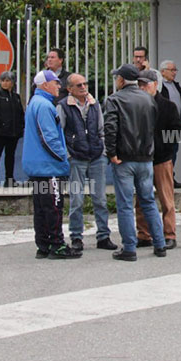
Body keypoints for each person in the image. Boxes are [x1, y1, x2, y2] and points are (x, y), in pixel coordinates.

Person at [103, 64, 167, 261]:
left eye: (117, 77)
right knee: (148, 201)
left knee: (124, 204)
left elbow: (110, 127)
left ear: (122, 80)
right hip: (145, 158)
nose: (116, 80)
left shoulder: (114, 100)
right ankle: (160, 244)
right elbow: (152, 127)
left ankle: (129, 247)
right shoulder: (148, 99)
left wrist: (112, 153)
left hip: (124, 158)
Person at [57, 73, 118, 252]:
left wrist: (104, 152)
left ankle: (103, 236)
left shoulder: (94, 103)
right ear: (70, 89)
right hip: (77, 158)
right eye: (79, 85)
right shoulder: (63, 106)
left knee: (100, 199)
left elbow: (101, 129)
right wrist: (68, 155)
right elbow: (60, 134)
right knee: (77, 200)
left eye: (85, 84)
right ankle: (76, 237)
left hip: (97, 157)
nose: (83, 87)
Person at [23, 70, 78, 259]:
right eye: (55, 82)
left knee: (41, 208)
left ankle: (43, 245)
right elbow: (49, 138)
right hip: (49, 167)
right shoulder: (45, 106)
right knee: (54, 207)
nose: (59, 86)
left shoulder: (34, 103)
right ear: (45, 84)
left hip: (37, 166)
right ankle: (57, 245)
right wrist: (64, 157)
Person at [137, 69, 180, 250]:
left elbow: (176, 131)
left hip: (161, 159)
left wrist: (164, 149)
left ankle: (169, 234)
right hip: (142, 159)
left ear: (155, 84)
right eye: (140, 84)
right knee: (141, 199)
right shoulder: (137, 105)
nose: (142, 87)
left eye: (146, 84)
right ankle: (143, 234)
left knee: (166, 200)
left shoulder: (168, 106)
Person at [0, 70, 24, 187]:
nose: (5, 83)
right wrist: (0, 124)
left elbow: (20, 113)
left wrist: (21, 126)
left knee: (10, 156)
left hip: (13, 133)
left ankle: (9, 179)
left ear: (13, 82)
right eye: (3, 81)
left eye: (8, 81)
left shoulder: (16, 97)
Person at [158, 59, 181, 188]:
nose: (174, 73)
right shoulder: (159, 87)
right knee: (165, 154)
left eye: (175, 70)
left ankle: (170, 178)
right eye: (172, 70)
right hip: (164, 126)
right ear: (163, 72)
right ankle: (163, 180)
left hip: (175, 125)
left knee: (173, 152)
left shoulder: (176, 85)